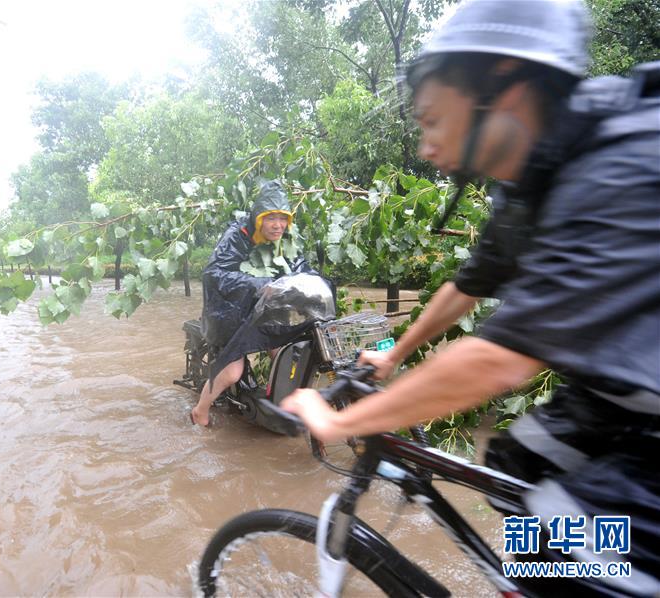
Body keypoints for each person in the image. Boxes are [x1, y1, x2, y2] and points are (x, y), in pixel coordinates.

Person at [282, 0, 659, 592]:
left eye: (431, 120)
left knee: (573, 537)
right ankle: (533, 580)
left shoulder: (618, 168)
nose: (425, 147)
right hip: (621, 396)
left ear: (502, 83)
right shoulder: (532, 180)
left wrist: (340, 421)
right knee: (514, 465)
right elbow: (467, 286)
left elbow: (499, 361)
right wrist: (395, 353)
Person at [191, 180, 317, 427]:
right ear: (259, 217)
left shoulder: (285, 239)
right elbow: (214, 274)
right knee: (232, 372)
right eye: (271, 218)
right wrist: (259, 284)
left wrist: (312, 282)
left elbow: (301, 266)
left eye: (283, 218)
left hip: (264, 309)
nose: (278, 225)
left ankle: (279, 405)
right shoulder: (237, 236)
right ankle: (200, 410)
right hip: (229, 312)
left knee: (285, 353)